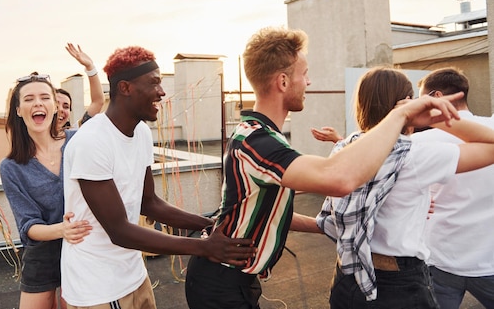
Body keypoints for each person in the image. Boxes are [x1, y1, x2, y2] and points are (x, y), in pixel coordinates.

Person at [184, 26, 466, 309]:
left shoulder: (261, 134)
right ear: (283, 81)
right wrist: (401, 114)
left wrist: (335, 222)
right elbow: (338, 178)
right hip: (221, 284)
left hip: (233, 280)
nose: (308, 82)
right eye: (304, 74)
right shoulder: (257, 141)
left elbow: (276, 211)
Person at [61, 45, 256, 309]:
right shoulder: (92, 141)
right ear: (125, 88)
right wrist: (204, 247)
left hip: (133, 276)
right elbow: (119, 231)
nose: (162, 92)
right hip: (98, 288)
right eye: (154, 83)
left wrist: (208, 225)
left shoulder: (140, 132)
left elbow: (148, 202)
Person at [316, 66, 494, 309]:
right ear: (408, 105)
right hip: (399, 284)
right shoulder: (412, 154)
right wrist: (434, 119)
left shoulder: (345, 147)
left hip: (348, 276)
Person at [0, 45, 103, 309]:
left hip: (81, 247)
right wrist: (61, 230)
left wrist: (90, 69)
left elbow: (98, 104)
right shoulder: (11, 166)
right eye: (29, 99)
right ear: (19, 111)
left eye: (45, 97)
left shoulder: (77, 141)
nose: (38, 103)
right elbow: (28, 225)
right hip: (42, 254)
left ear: (55, 107)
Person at [412, 67, 494, 309]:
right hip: (489, 260)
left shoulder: (417, 143)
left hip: (439, 258)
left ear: (437, 97)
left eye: (421, 99)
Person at [56, 43, 105, 131]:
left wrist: (90, 67)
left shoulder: (72, 135)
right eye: (55, 105)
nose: (60, 109)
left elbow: (98, 101)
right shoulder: (28, 138)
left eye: (66, 106)